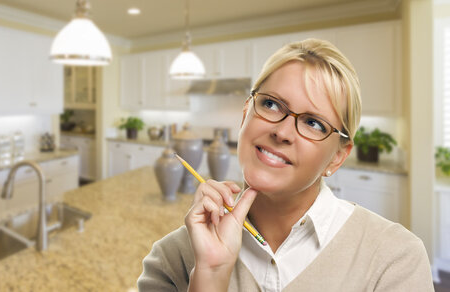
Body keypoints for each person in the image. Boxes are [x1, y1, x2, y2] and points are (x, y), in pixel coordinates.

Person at [137, 39, 434, 291]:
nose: (281, 131)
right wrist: (211, 277)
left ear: (338, 157)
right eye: (271, 104)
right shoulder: (172, 259)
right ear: (245, 115)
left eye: (314, 123)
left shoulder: (395, 260)